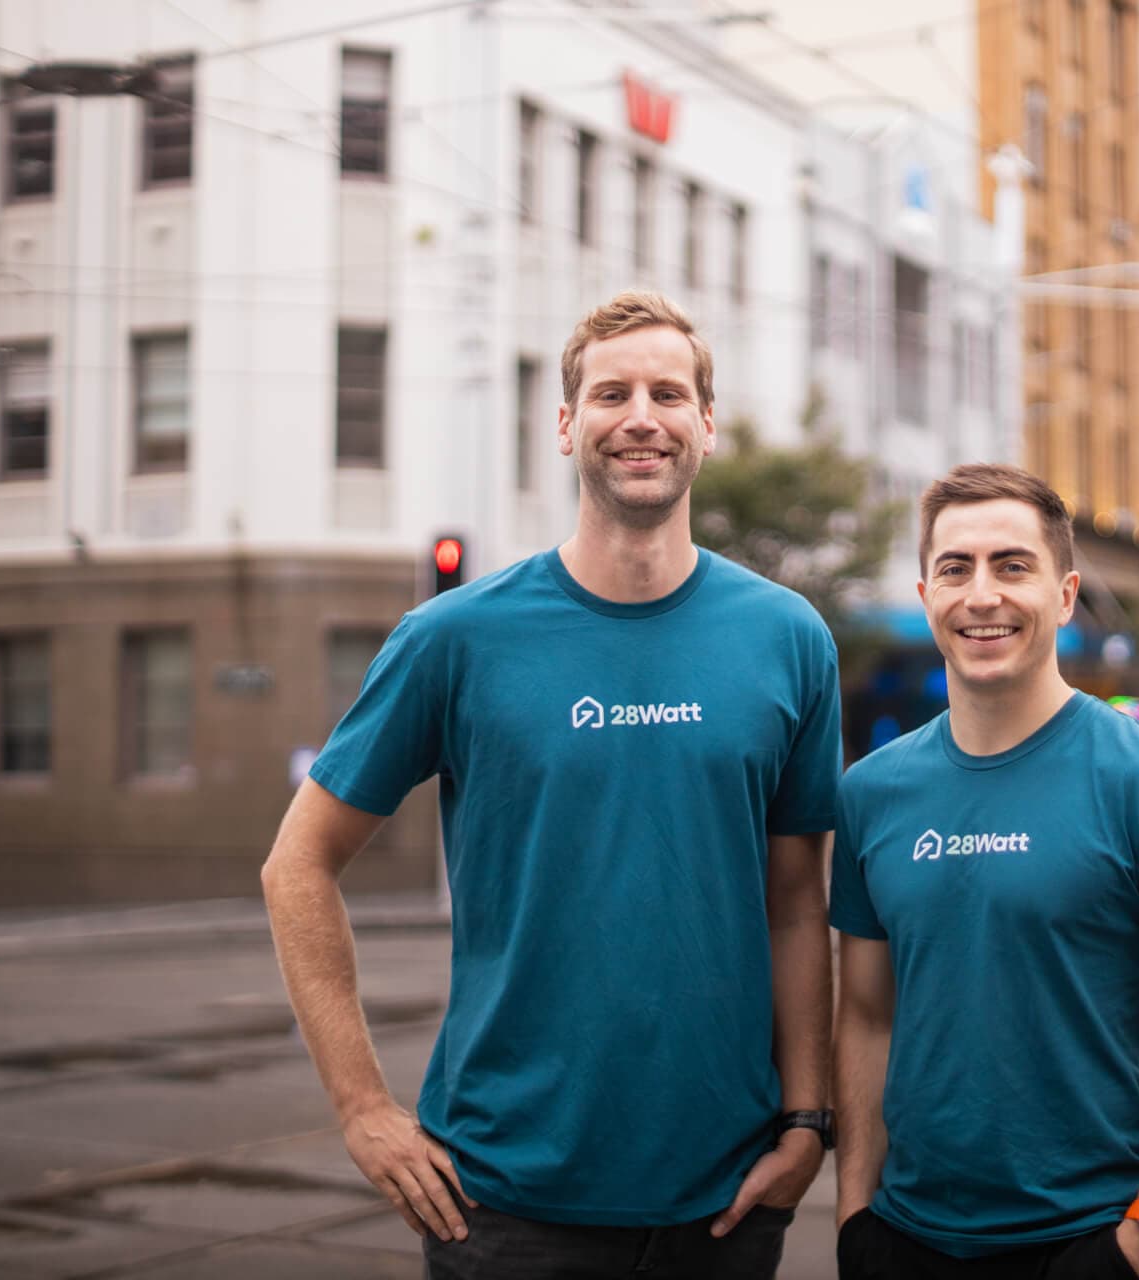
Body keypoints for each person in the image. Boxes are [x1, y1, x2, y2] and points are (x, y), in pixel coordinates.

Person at [261, 291, 841, 1279]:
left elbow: (796, 903)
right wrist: (363, 1108)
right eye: (611, 393)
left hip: (727, 1199)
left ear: (707, 422)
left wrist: (808, 1121)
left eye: (669, 391)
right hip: (503, 1198)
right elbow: (298, 863)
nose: (642, 415)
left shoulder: (789, 639)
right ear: (569, 424)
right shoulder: (454, 639)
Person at [830, 464, 1139, 1280]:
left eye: (1013, 565)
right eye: (956, 569)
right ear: (925, 593)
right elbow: (865, 1017)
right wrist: (855, 1215)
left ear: (1065, 596)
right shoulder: (870, 794)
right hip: (902, 1242)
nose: (982, 594)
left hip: (1087, 1244)